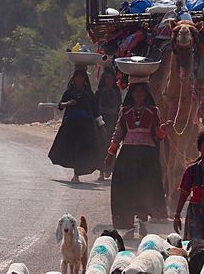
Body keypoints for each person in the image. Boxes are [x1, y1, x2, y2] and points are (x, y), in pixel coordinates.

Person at [104, 82, 167, 232]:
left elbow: (158, 134)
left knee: (146, 186)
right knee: (127, 187)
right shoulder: (124, 111)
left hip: (147, 154)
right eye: (136, 92)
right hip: (128, 154)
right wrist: (111, 153)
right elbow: (118, 131)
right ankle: (128, 222)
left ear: (146, 94)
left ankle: (143, 219)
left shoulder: (153, 111)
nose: (139, 95)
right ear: (131, 94)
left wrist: (164, 129)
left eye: (142, 92)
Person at [47, 67, 103, 183]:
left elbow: (94, 109)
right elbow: (60, 106)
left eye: (82, 77)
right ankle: (75, 174)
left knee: (82, 149)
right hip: (71, 125)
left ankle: (77, 173)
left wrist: (100, 123)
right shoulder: (69, 92)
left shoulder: (88, 94)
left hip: (86, 126)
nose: (79, 79)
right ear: (74, 79)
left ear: (84, 79)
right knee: (72, 148)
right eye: (77, 76)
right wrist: (68, 103)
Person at [95, 68, 122, 179]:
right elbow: (95, 107)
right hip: (102, 121)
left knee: (112, 145)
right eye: (107, 78)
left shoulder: (117, 92)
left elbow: (119, 107)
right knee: (101, 146)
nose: (109, 80)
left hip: (113, 121)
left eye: (111, 78)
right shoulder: (99, 92)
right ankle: (101, 171)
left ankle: (109, 169)